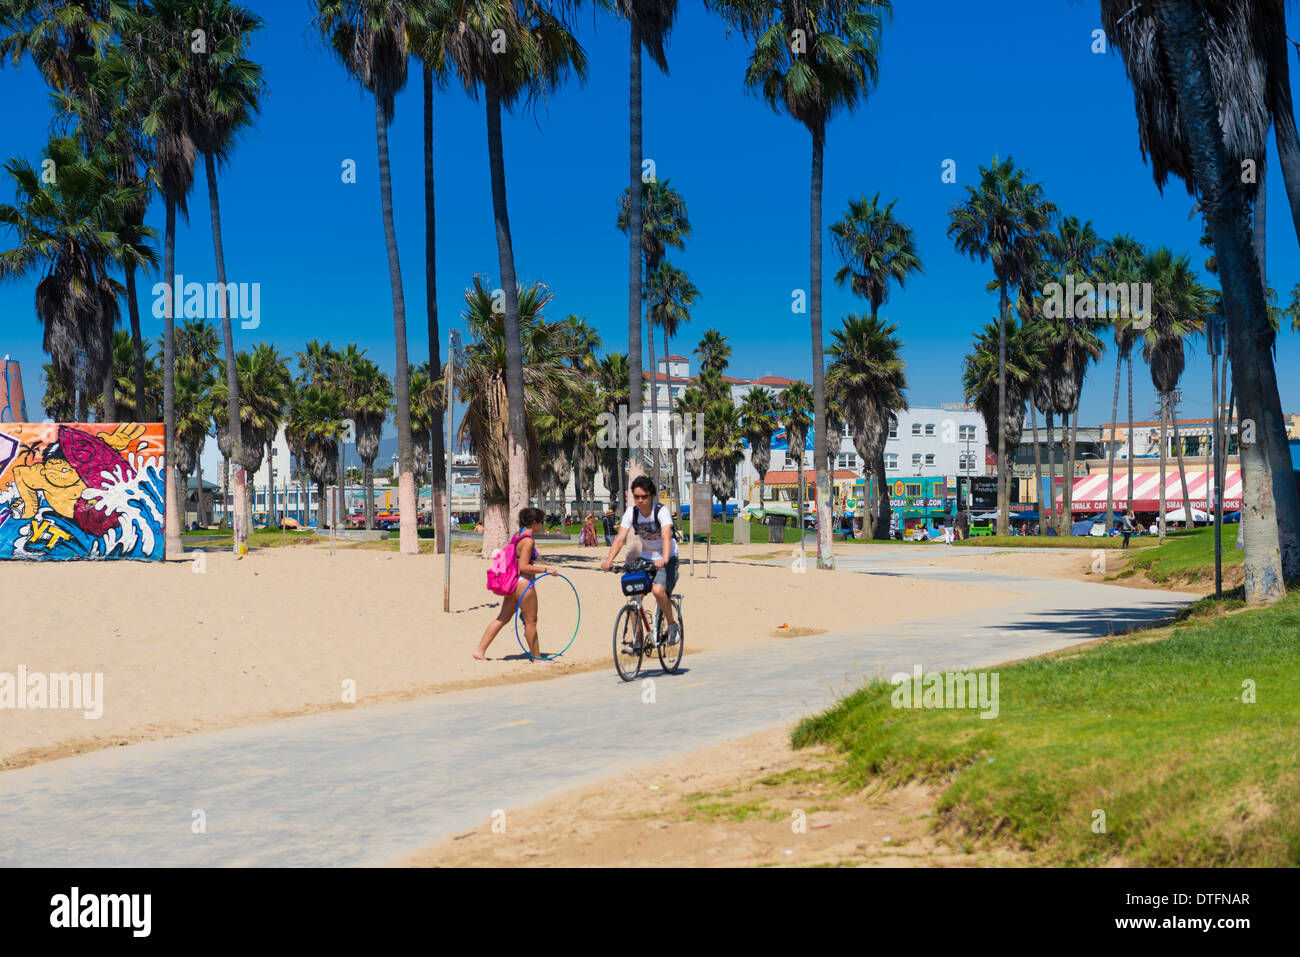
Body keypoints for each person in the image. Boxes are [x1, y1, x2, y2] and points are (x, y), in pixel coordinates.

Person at [601, 476, 679, 648]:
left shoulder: (661, 511)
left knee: (658, 590)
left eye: (644, 496)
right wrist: (609, 560)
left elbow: (666, 537)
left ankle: (673, 625)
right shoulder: (632, 513)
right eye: (637, 497)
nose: (640, 501)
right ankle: (637, 642)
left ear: (651, 496)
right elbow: (620, 538)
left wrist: (664, 559)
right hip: (645, 558)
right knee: (634, 598)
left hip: (668, 558)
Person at [474, 507, 555, 661]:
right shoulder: (528, 541)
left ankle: (480, 650)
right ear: (534, 522)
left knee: (502, 618)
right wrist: (546, 569)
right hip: (524, 583)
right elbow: (523, 566)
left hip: (512, 582)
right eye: (541, 522)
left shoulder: (517, 535)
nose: (542, 525)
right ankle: (537, 659)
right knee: (531, 622)